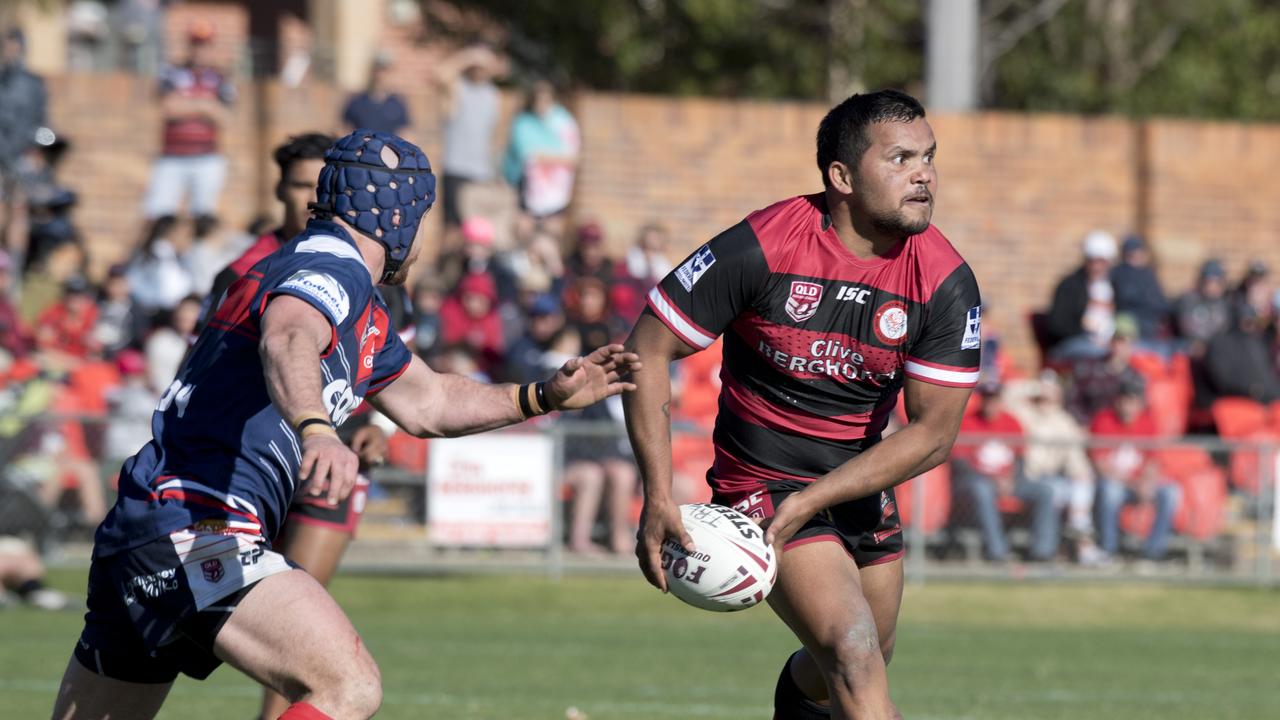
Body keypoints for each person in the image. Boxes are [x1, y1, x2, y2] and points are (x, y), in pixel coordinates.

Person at [50, 130, 640, 720]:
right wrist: (317, 429)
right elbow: (289, 334)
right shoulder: (331, 262)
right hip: (197, 520)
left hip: (154, 523)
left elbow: (429, 401)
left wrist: (541, 396)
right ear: (399, 215)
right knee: (346, 686)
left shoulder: (363, 307)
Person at [625, 90, 980, 719]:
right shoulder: (764, 245)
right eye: (900, 159)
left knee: (853, 663)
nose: (924, 173)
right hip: (760, 478)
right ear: (841, 177)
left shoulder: (946, 279)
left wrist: (818, 498)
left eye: (928, 157)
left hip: (857, 482)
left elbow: (933, 435)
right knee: (853, 648)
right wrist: (658, 493)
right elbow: (646, 351)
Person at [142, 21, 235, 233]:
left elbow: (225, 116)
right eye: (196, 44)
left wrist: (189, 103)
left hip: (207, 156)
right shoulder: (171, 72)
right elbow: (168, 109)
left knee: (203, 217)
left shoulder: (221, 77)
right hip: (171, 156)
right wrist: (205, 105)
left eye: (204, 45)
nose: (199, 50)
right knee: (157, 213)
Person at [951, 383, 1059, 563]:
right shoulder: (968, 421)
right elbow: (961, 464)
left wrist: (1011, 479)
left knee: (1045, 490)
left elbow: (1020, 459)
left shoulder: (1011, 421)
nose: (990, 404)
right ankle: (998, 552)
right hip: (975, 482)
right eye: (986, 399)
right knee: (982, 489)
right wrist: (993, 479)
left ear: (1000, 401)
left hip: (1010, 482)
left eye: (994, 400)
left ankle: (1042, 552)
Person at [1090, 375, 1182, 563]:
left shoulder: (1148, 421)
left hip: (1141, 483)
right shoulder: (1103, 419)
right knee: (1110, 490)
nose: (1128, 405)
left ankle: (1152, 553)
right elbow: (1101, 465)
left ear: (1140, 402)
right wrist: (1134, 483)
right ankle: (1109, 550)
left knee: (1171, 492)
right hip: (1119, 483)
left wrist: (1147, 482)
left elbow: (1153, 461)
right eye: (1125, 399)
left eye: (1133, 400)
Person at [434, 43, 504, 228]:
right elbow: (439, 74)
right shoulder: (458, 88)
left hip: (482, 173)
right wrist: (470, 55)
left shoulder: (493, 95)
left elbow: (494, 138)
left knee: (477, 232)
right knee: (453, 230)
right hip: (456, 169)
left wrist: (496, 172)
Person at [502, 79, 580, 224]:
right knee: (524, 225)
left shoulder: (563, 121)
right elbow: (526, 154)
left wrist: (545, 157)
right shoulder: (523, 123)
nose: (542, 105)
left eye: (546, 100)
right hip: (525, 184)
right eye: (538, 100)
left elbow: (572, 157)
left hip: (555, 186)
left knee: (552, 227)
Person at [1045, 229, 1118, 361]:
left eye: (1101, 261)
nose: (1096, 267)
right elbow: (1057, 325)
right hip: (1072, 344)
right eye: (1092, 261)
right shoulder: (1070, 286)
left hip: (1108, 343)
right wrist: (1085, 332)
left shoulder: (1114, 286)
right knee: (1101, 353)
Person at [1110, 234, 1168, 344]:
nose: (1136, 256)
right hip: (1129, 322)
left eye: (1138, 252)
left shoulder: (1148, 274)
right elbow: (1125, 297)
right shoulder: (1119, 273)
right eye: (1131, 253)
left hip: (1151, 323)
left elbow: (1161, 303)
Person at [1173, 259, 1231, 357]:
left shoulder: (1225, 305)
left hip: (1217, 353)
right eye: (1208, 282)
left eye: (1217, 283)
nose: (1212, 287)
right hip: (1192, 351)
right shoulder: (1189, 300)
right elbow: (1188, 328)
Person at [0, 535, 74, 610]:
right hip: (26, 578)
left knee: (33, 591)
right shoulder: (22, 555)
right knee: (33, 590)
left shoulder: (22, 559)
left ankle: (53, 599)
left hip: (27, 580)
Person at [341, 54, 409, 135]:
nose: (381, 75)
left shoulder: (397, 103)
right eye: (378, 70)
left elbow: (407, 132)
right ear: (371, 71)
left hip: (389, 147)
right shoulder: (357, 102)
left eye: (386, 70)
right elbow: (343, 129)